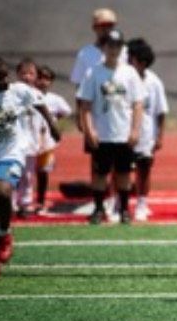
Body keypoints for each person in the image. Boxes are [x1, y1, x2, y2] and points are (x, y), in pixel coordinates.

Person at [0, 54, 62, 277]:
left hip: (11, 152)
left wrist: (51, 125)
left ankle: (5, 234)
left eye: (6, 75)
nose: (5, 81)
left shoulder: (19, 91)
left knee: (2, 190)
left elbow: (39, 102)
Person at [77, 30, 145, 225]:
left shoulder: (130, 73)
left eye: (117, 46)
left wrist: (134, 130)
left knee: (124, 173)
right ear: (104, 48)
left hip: (123, 133)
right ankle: (98, 209)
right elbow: (86, 105)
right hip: (102, 134)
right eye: (110, 45)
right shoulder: (93, 72)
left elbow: (138, 104)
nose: (113, 50)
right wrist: (89, 130)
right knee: (100, 173)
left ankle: (124, 209)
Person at [126, 38, 168, 222]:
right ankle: (118, 203)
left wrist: (159, 136)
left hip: (146, 133)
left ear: (142, 62)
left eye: (132, 59)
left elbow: (161, 111)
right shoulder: (124, 78)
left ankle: (142, 204)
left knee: (144, 169)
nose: (128, 62)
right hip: (124, 131)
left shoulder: (154, 82)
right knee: (121, 169)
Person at [31, 65, 72, 214]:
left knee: (42, 172)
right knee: (25, 174)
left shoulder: (54, 99)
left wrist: (53, 121)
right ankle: (21, 202)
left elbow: (67, 111)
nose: (42, 81)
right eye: (40, 77)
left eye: (46, 79)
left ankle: (40, 201)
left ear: (51, 82)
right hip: (28, 140)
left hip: (46, 143)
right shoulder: (27, 95)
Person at [12, 58, 41, 216]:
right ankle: (10, 203)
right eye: (23, 73)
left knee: (28, 176)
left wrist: (42, 140)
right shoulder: (11, 94)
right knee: (13, 173)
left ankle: (25, 203)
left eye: (31, 73)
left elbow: (42, 121)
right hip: (14, 143)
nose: (27, 76)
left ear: (36, 76)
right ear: (17, 75)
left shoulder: (38, 95)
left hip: (31, 142)